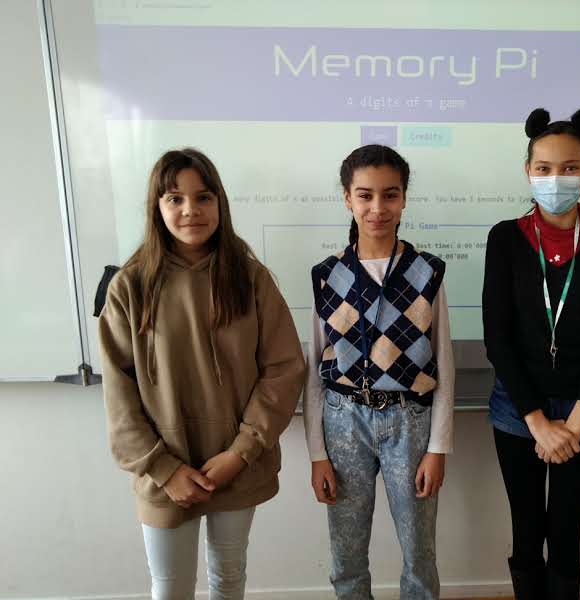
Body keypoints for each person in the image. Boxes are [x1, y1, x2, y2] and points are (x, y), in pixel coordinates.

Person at [98, 147, 305, 600]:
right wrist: (163, 468)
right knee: (170, 587)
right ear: (157, 207)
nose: (190, 209)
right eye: (175, 198)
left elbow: (284, 369)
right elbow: (118, 394)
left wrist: (241, 452)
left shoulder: (251, 278)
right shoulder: (130, 286)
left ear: (219, 203)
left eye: (203, 197)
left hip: (237, 465)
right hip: (163, 471)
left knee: (229, 578)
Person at [482, 108, 580, 599]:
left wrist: (573, 426)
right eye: (543, 168)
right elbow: (497, 338)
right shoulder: (505, 238)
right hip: (518, 409)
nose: (555, 179)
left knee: (565, 537)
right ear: (528, 170)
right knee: (527, 534)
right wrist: (538, 422)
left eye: (569, 168)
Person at [303, 144, 455, 599]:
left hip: (409, 421)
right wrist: (317, 454)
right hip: (344, 421)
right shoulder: (328, 275)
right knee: (347, 553)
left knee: (419, 552)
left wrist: (438, 448)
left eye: (390, 195)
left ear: (404, 198)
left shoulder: (426, 272)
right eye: (365, 195)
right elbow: (314, 370)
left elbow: (444, 363)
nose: (377, 207)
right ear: (347, 199)